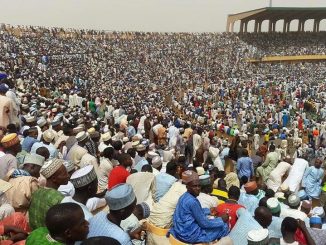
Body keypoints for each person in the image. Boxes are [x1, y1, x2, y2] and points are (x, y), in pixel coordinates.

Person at [169, 170, 229, 243]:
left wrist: (208, 211)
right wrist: (221, 220)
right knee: (224, 227)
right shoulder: (192, 201)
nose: (198, 188)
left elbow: (195, 212)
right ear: (188, 187)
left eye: (199, 186)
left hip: (180, 231)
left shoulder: (184, 196)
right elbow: (204, 223)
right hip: (189, 235)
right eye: (194, 186)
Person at [28, 159, 69, 230]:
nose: (68, 176)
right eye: (64, 174)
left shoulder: (37, 192)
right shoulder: (59, 198)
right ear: (54, 179)